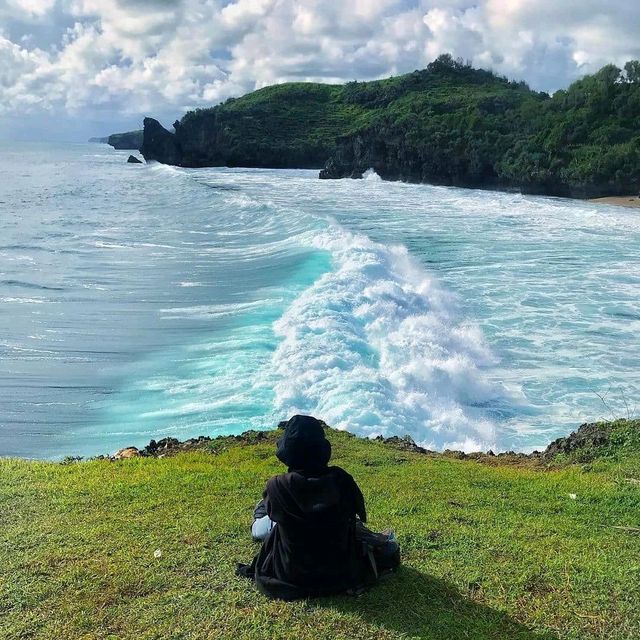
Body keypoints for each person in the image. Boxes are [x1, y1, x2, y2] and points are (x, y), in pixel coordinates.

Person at [236, 415, 400, 600]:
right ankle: (264, 510)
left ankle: (261, 510)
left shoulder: (277, 486)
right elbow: (355, 516)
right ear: (323, 450)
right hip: (340, 572)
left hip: (291, 574)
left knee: (262, 527)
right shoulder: (341, 480)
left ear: (289, 452)